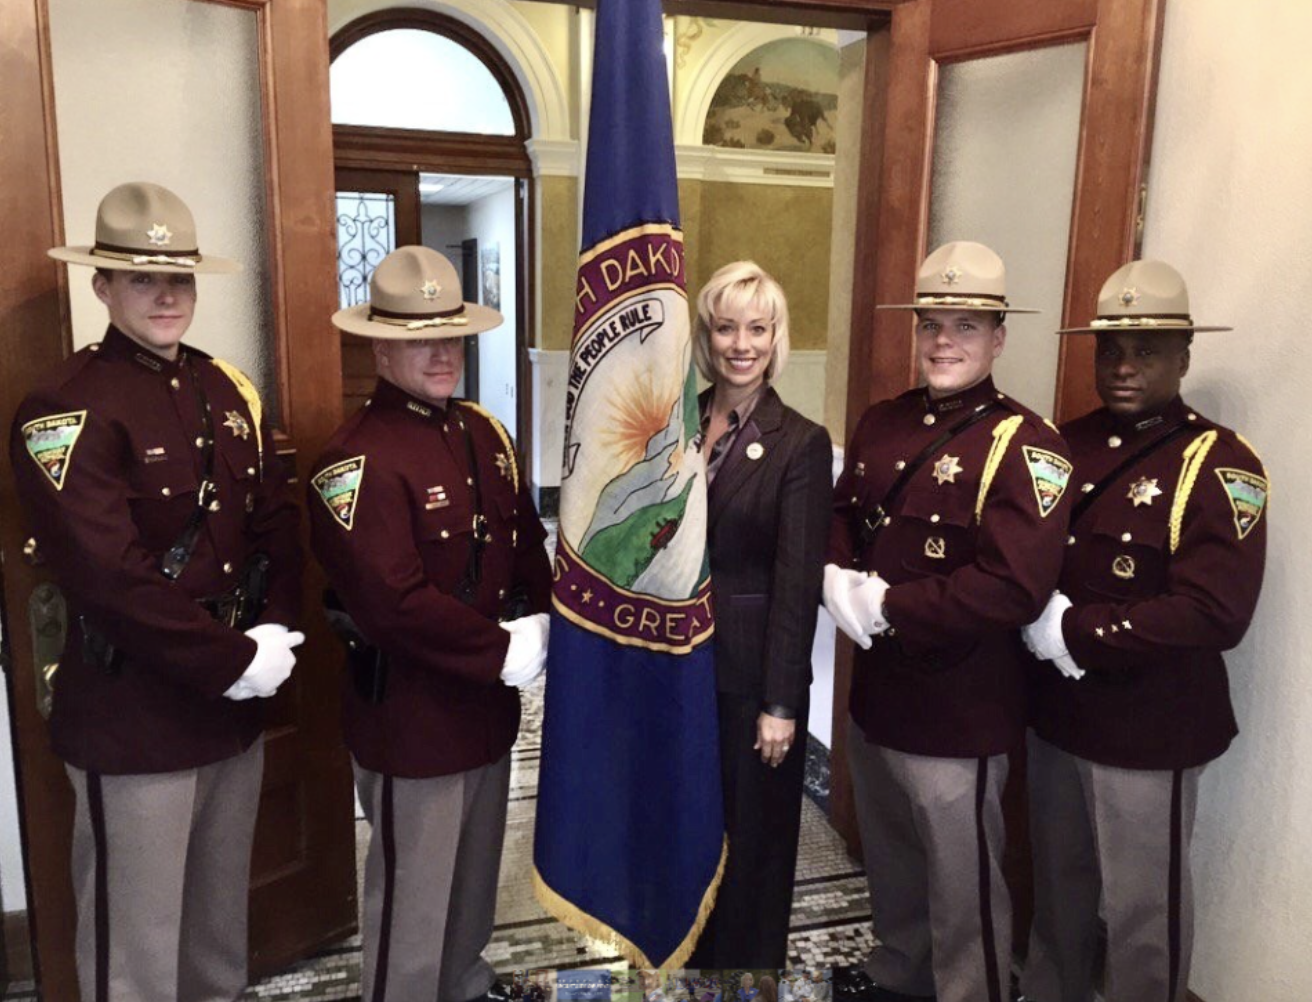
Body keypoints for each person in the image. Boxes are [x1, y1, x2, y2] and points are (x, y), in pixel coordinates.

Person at [9, 181, 304, 1000]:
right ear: (101, 287)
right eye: (142, 279)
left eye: (179, 278)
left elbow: (274, 528)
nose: (167, 296)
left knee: (217, 933)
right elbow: (108, 576)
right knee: (134, 952)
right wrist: (230, 658)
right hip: (134, 713)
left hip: (233, 702)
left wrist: (273, 639)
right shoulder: (66, 408)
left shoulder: (225, 391)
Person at [824, 242, 1072, 1002]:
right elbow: (842, 518)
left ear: (998, 338)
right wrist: (834, 575)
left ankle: (973, 991)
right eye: (932, 323)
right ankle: (902, 975)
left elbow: (1013, 589)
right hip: (878, 700)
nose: (943, 341)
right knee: (893, 861)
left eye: (965, 326)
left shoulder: (1030, 447)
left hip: (960, 714)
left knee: (964, 891)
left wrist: (889, 605)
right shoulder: (883, 423)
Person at [1018, 261, 1269, 1002]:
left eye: (1148, 349)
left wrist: (1079, 634)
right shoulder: (1062, 443)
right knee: (1058, 890)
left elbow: (1217, 611)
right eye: (1111, 350)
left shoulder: (1221, 463)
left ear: (1185, 355)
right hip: (1058, 715)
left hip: (1149, 728)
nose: (1124, 367)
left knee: (1141, 913)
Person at [308, 245, 552, 1002]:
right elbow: (392, 603)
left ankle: (465, 985)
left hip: (485, 710)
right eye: (420, 340)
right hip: (410, 719)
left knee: (473, 884)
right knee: (410, 908)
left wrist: (544, 619)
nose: (442, 353)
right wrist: (500, 649)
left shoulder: (483, 434)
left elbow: (523, 543)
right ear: (382, 346)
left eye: (451, 336)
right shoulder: (354, 461)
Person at [682, 262, 832, 967]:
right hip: (678, 671)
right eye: (726, 326)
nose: (741, 343)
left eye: (757, 329)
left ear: (777, 339)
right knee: (691, 831)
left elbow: (795, 585)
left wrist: (780, 702)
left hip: (749, 680)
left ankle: (747, 978)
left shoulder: (800, 442)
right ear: (707, 334)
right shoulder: (676, 422)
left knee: (753, 844)